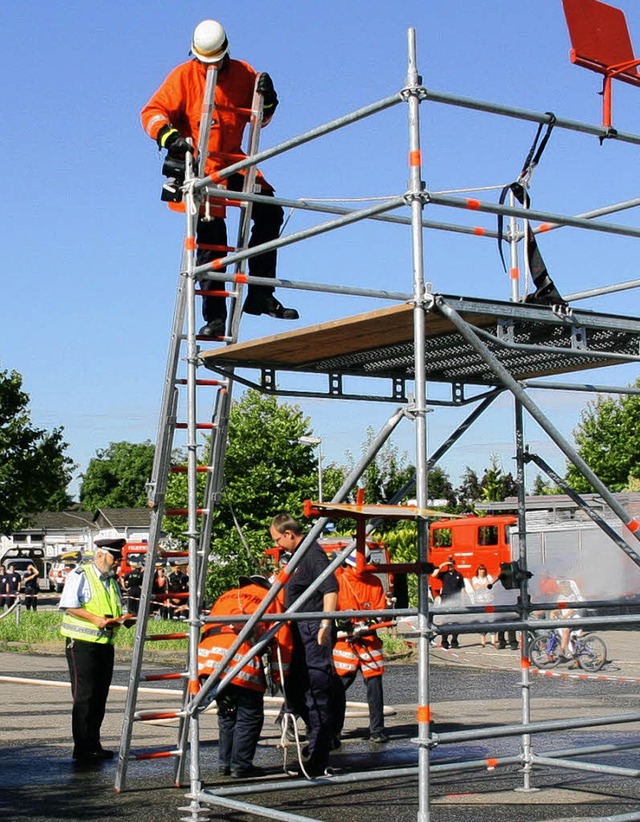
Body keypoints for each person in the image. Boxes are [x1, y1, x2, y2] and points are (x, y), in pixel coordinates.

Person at [141, 18, 298, 338]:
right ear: (195, 54)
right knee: (213, 238)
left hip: (236, 162)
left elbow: (261, 118)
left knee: (269, 210)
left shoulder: (243, 73)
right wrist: (170, 138)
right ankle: (215, 318)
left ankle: (260, 294)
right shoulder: (183, 77)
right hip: (201, 167)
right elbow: (152, 113)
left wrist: (269, 97)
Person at [198, 576, 292, 778]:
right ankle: (240, 765)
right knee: (250, 714)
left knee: (227, 712)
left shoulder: (226, 596)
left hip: (208, 660)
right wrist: (279, 675)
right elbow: (282, 637)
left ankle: (225, 763)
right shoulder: (269, 597)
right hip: (239, 659)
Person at [269, 513, 339, 777]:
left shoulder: (311, 554)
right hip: (299, 632)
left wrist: (325, 624)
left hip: (312, 631)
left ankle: (317, 757)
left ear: (289, 534)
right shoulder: (298, 557)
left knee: (315, 694)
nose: (278, 545)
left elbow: (330, 588)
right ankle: (321, 740)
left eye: (278, 539)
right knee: (297, 691)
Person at [59, 537, 132, 764]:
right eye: (115, 557)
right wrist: (95, 619)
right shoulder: (81, 575)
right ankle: (82, 747)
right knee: (85, 696)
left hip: (105, 643)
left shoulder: (110, 580)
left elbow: (112, 608)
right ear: (100, 555)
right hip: (82, 644)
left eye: (119, 558)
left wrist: (124, 618)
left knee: (100, 696)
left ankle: (94, 744)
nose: (118, 563)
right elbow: (69, 605)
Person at [332, 552, 389, 744]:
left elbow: (381, 611)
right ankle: (334, 731)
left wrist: (371, 623)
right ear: (349, 565)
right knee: (338, 689)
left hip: (369, 641)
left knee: (375, 688)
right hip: (345, 643)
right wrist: (343, 623)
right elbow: (331, 612)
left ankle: (377, 730)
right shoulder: (339, 581)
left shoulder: (374, 582)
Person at [431, 558, 465, 649]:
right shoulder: (444, 575)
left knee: (456, 621)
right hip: (446, 599)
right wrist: (442, 565)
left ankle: (454, 640)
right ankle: (444, 640)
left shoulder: (459, 575)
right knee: (445, 621)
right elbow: (434, 575)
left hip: (456, 601)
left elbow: (462, 588)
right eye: (449, 565)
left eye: (451, 565)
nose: (450, 567)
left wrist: (463, 600)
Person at [466, 565, 496, 648]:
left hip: (489, 601)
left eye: (483, 569)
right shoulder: (474, 578)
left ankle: (493, 641)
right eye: (480, 569)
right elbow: (476, 587)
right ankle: (483, 642)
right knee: (482, 620)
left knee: (491, 619)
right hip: (480, 602)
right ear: (478, 570)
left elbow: (491, 585)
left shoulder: (488, 577)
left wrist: (482, 586)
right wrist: (485, 585)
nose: (482, 571)